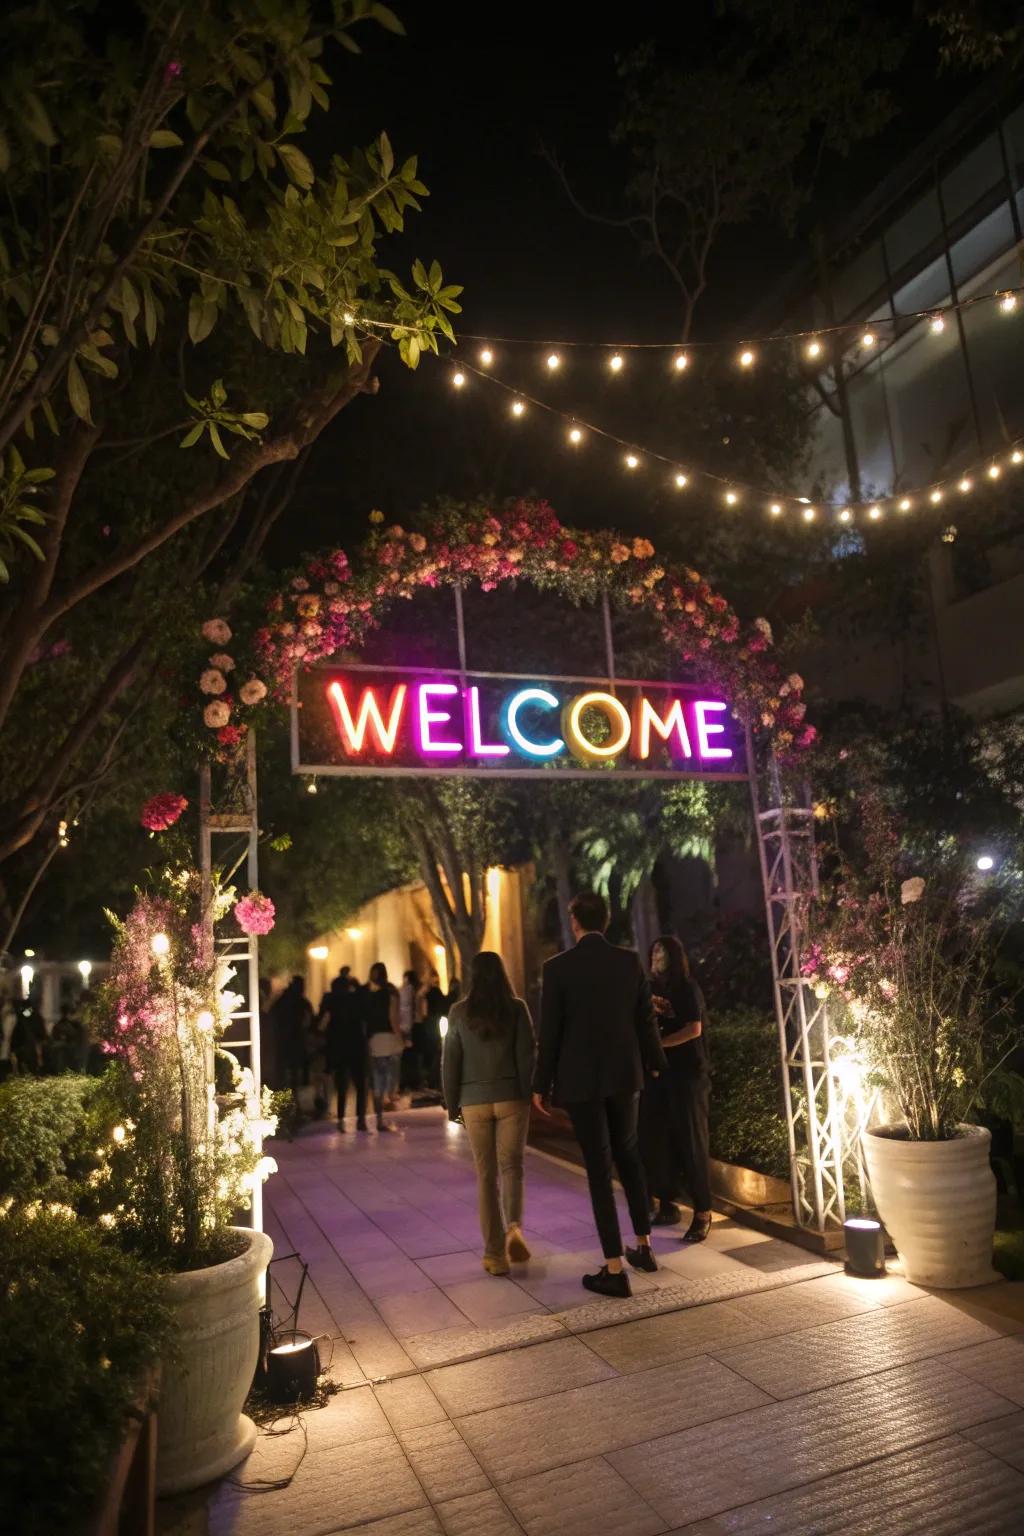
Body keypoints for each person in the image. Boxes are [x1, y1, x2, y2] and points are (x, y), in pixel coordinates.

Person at [533, 891, 667, 1298]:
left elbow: (551, 1032)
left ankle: (613, 1267)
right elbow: (644, 1018)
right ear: (605, 922)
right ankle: (644, 1246)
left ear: (575, 922)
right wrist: (655, 1061)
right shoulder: (629, 962)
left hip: (582, 1081)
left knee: (598, 1169)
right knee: (629, 1156)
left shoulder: (558, 968)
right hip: (626, 1076)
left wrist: (540, 1084)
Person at [443, 952, 536, 1275]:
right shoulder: (517, 1009)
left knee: (486, 1175)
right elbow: (526, 1057)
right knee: (512, 1167)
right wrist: (528, 1095)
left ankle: (494, 1255)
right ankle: (514, 1228)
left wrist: (452, 1105)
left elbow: (450, 1062)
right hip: (511, 1097)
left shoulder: (458, 1013)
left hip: (473, 1101)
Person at [641, 935, 713, 1243]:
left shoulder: (687, 988)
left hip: (688, 1076)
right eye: (653, 952)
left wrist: (660, 1045)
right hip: (659, 1075)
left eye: (662, 952)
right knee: (658, 1142)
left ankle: (703, 1212)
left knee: (692, 1143)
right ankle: (667, 1203)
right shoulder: (648, 989)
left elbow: (693, 1029)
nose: (656, 957)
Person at [319, 973, 368, 1131]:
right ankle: (361, 1119)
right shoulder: (356, 1000)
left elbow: (322, 1024)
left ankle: (341, 1120)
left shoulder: (331, 1001)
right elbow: (364, 1019)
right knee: (360, 1084)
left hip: (338, 1046)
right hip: (356, 1045)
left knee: (341, 1086)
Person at [364, 962, 404, 1132]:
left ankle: (379, 1119)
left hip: (374, 1040)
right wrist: (400, 1038)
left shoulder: (370, 996)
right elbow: (393, 1017)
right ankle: (389, 1103)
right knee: (389, 1077)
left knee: (377, 1081)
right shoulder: (391, 993)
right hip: (388, 1039)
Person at [271, 977, 313, 1107]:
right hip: (296, 1040)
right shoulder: (301, 1001)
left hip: (284, 1041)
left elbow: (273, 1015)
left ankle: (287, 1102)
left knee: (286, 1073)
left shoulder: (283, 1000)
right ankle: (299, 1103)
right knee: (299, 1072)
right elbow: (311, 1019)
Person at [417, 968, 447, 1090]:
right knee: (435, 1050)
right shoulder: (437, 992)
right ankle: (434, 1079)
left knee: (429, 1052)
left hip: (429, 1022)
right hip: (435, 1022)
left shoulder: (426, 994)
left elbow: (422, 1010)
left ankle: (429, 1079)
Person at [398, 969, 419, 1091]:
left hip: (405, 1025)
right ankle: (412, 1081)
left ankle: (405, 1082)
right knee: (411, 1056)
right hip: (411, 1025)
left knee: (406, 1056)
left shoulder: (405, 990)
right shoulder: (413, 990)